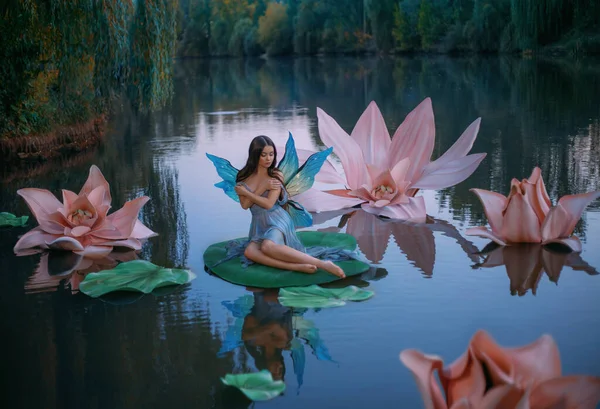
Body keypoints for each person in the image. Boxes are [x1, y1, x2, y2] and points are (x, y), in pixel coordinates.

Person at [233, 135, 346, 278]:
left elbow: (268, 204)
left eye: (271, 154)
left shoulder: (275, 175)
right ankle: (296, 266)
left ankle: (324, 264)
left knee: (267, 247)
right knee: (249, 252)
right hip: (258, 224)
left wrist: (258, 189)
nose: (269, 159)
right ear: (255, 156)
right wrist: (260, 189)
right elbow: (245, 205)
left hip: (277, 220)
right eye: (264, 155)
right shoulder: (243, 177)